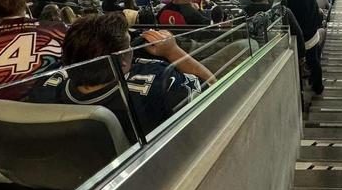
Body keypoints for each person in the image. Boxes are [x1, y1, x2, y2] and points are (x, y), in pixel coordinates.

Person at [31, 13, 212, 141]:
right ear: (122, 62)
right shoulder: (160, 80)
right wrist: (172, 51)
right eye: (129, 44)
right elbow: (214, 88)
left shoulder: (47, 84)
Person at [279, 0, 323, 95]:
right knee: (314, 61)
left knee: (310, 63)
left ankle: (311, 90)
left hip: (303, 39)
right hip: (312, 32)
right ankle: (317, 86)